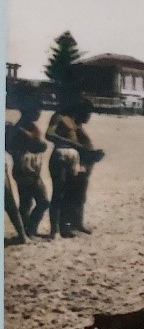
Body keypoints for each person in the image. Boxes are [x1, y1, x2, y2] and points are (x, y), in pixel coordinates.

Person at [46, 98, 104, 238]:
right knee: (59, 193)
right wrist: (74, 145)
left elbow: (82, 143)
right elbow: (49, 135)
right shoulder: (59, 117)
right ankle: (55, 230)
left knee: (72, 194)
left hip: (74, 160)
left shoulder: (75, 122)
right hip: (60, 157)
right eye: (87, 114)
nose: (88, 117)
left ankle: (70, 225)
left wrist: (91, 153)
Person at [6, 99, 49, 237]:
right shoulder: (18, 129)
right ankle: (28, 230)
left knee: (31, 202)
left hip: (32, 168)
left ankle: (28, 229)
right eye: (37, 110)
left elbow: (41, 146)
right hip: (24, 169)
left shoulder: (29, 127)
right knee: (37, 202)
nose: (39, 113)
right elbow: (10, 147)